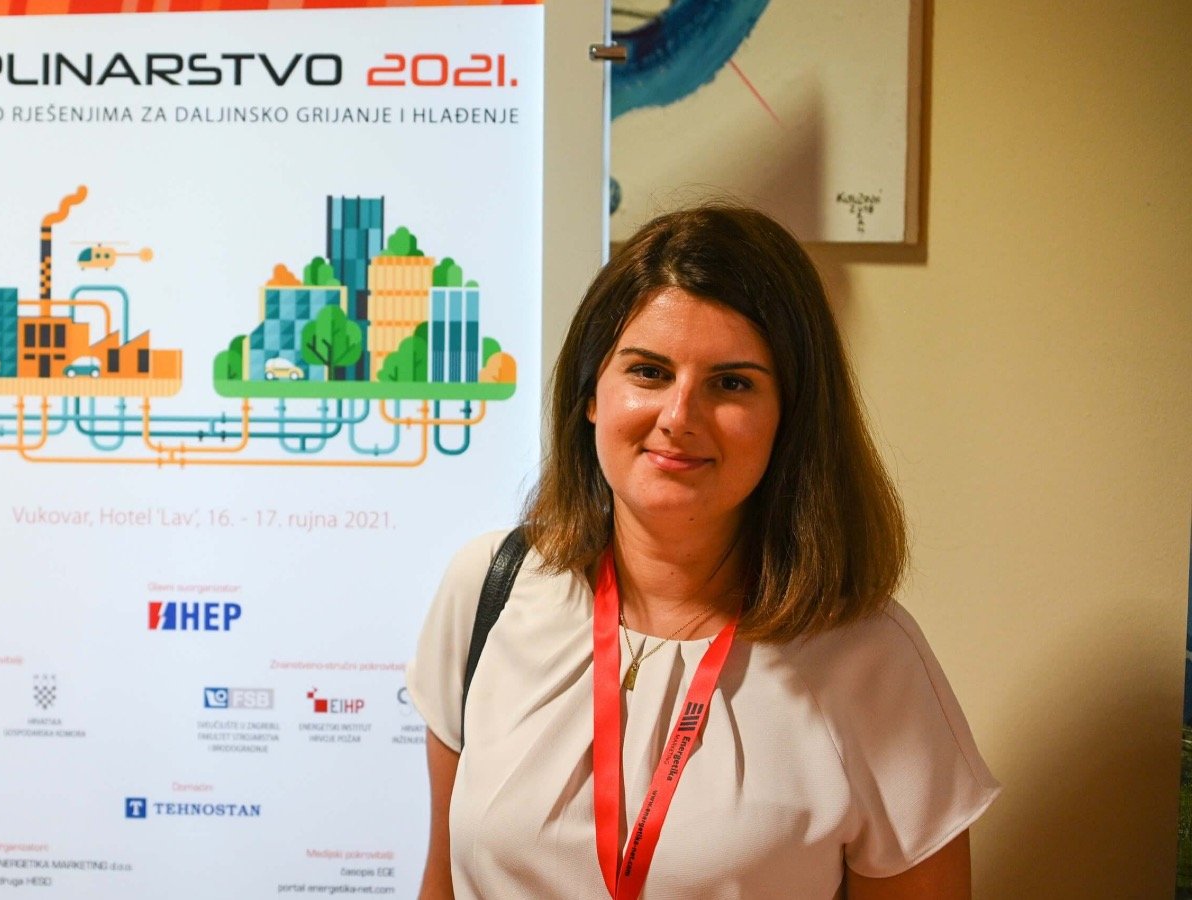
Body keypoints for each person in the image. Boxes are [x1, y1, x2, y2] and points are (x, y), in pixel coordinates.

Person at [407, 205, 999, 899]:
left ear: (790, 417)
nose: (679, 417)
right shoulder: (488, 587)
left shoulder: (870, 659)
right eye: (649, 372)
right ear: (591, 393)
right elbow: (441, 885)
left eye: (732, 383)